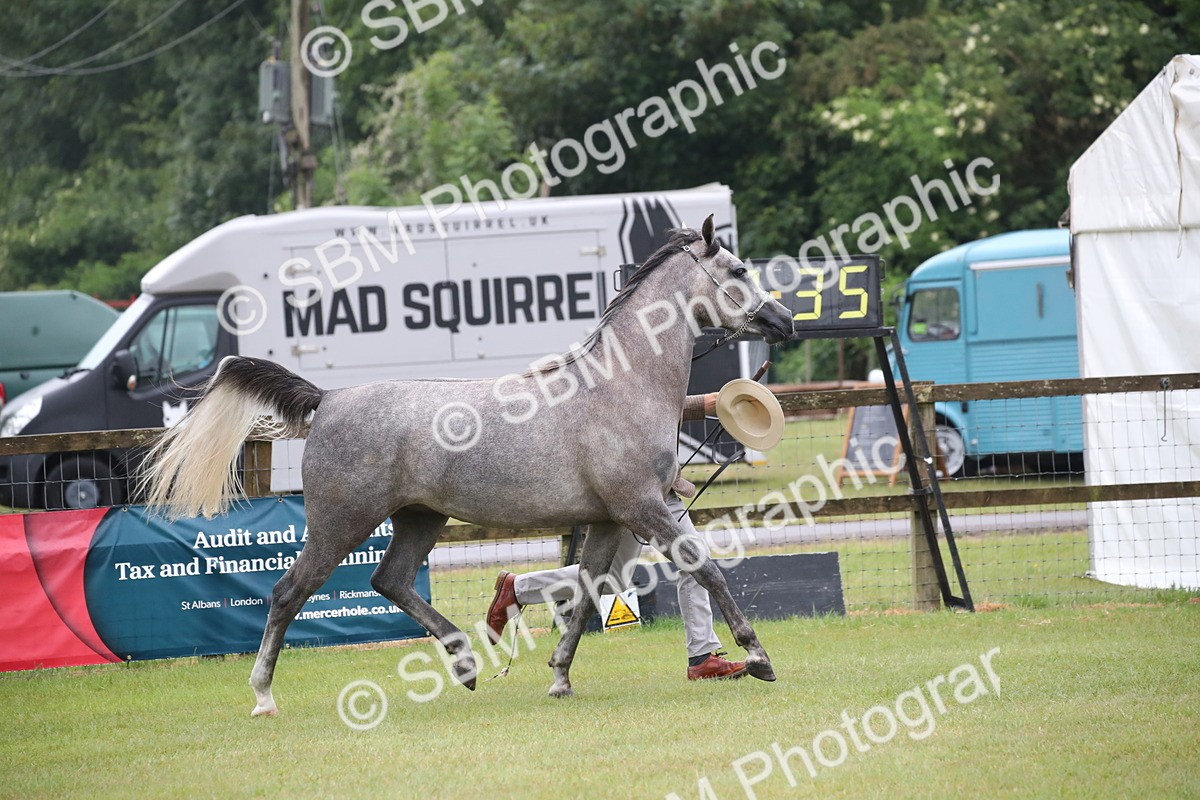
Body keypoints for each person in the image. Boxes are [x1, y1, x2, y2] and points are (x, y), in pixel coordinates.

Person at [485, 392, 751, 681]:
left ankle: (518, 589)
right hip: (629, 492)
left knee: (616, 579)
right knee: (691, 561)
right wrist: (706, 404)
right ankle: (702, 658)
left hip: (658, 490)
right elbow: (640, 403)